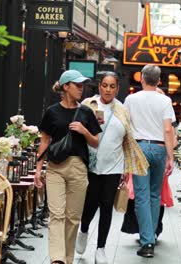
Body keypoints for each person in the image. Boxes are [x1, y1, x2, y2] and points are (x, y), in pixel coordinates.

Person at [75, 72, 149, 264]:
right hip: (90, 165)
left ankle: (101, 248)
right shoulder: (87, 105)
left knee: (107, 206)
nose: (108, 89)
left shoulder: (122, 110)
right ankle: (83, 230)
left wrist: (126, 167)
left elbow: (127, 138)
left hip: (114, 166)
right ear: (99, 86)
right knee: (89, 205)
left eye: (112, 86)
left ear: (117, 88)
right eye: (105, 85)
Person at [35, 70, 102, 264]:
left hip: (78, 167)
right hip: (55, 166)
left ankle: (68, 258)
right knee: (56, 214)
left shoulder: (86, 112)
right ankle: (57, 259)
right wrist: (39, 170)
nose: (81, 89)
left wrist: (84, 131)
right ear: (66, 87)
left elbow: (96, 142)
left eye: (83, 86)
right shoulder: (52, 112)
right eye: (77, 85)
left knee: (73, 217)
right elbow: (45, 141)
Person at [124, 64, 175, 258]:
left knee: (142, 196)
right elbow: (168, 130)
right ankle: (151, 236)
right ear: (159, 80)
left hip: (139, 148)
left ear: (141, 78)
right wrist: (170, 157)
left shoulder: (131, 99)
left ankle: (147, 243)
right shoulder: (165, 101)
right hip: (160, 147)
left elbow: (126, 127)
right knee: (155, 195)